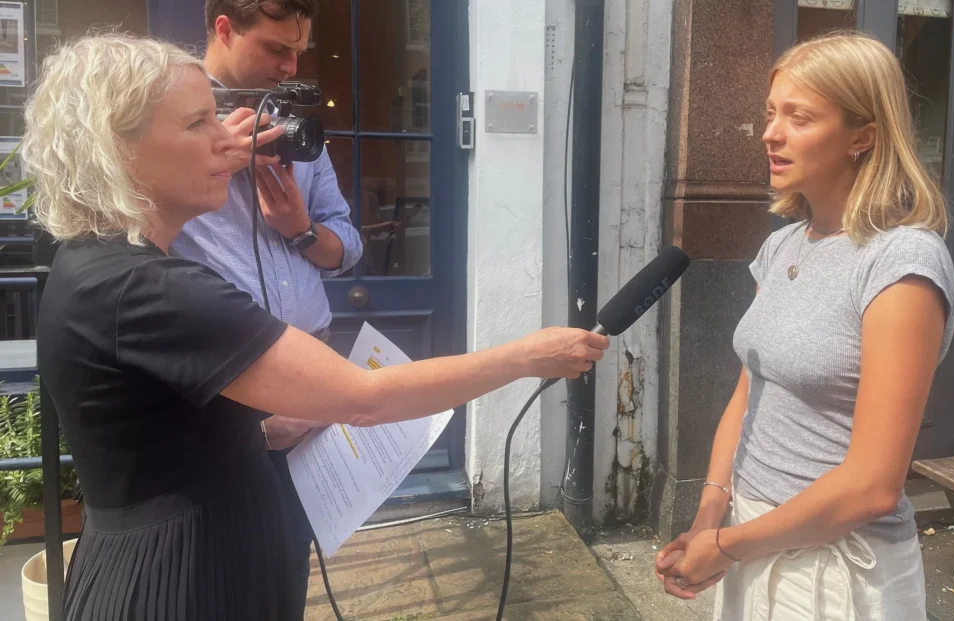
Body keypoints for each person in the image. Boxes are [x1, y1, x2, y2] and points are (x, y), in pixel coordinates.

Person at [26, 33, 609, 621]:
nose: (228, 139)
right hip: (181, 579)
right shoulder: (150, 289)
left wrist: (252, 427)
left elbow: (151, 428)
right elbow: (366, 398)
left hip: (177, 553)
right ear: (118, 149)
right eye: (200, 122)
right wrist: (528, 356)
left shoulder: (92, 262)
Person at [654, 31, 954, 620]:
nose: (771, 133)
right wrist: (710, 515)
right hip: (751, 533)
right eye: (771, 114)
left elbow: (872, 485)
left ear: (863, 136)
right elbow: (750, 390)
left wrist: (723, 548)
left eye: (799, 117)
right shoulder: (782, 245)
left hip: (835, 569)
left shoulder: (901, 263)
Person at [167, 0, 361, 599]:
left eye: (300, 50)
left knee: (287, 558)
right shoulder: (167, 121)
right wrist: (209, 153)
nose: (291, 68)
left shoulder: (300, 121)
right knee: (221, 569)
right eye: (277, 49)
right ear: (223, 28)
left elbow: (348, 245)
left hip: (309, 365)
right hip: (227, 384)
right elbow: (133, 231)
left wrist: (302, 230)